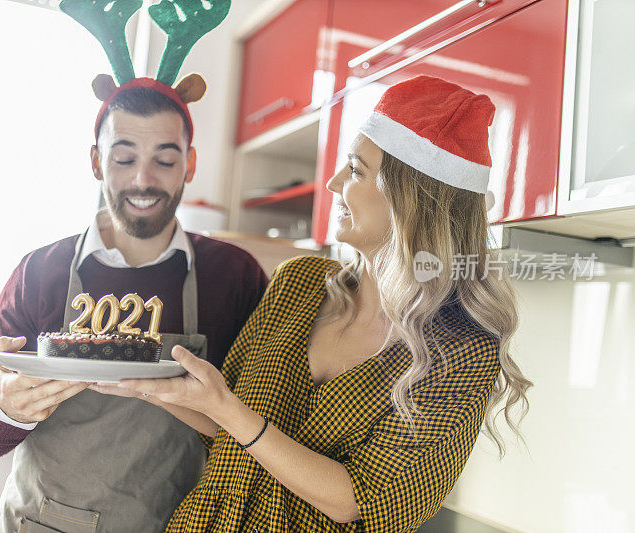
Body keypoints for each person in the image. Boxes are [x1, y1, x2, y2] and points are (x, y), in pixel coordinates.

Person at [95, 75, 533, 532]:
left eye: (357, 170)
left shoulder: (463, 352)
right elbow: (227, 423)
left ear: (412, 199)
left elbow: (361, 502)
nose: (333, 183)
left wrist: (225, 408)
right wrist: (136, 378)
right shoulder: (298, 283)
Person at [0, 77, 268, 531]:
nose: (143, 180)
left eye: (165, 158)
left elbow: (269, 427)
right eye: (124, 158)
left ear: (190, 164)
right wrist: (5, 408)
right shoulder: (41, 272)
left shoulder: (233, 277)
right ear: (96, 162)